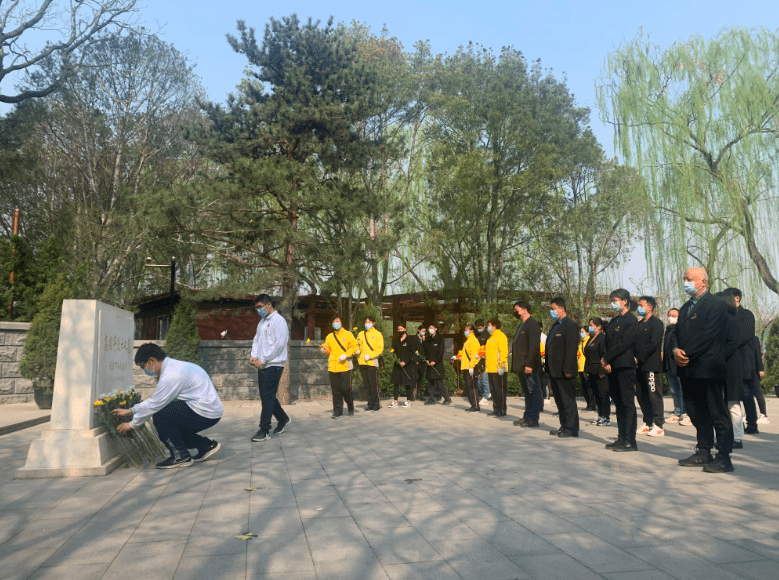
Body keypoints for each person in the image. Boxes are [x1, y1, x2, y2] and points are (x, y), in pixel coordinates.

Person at [114, 343, 223, 469]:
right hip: (209, 409)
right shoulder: (174, 366)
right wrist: (131, 411)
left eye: (144, 367)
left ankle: (180, 457)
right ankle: (206, 445)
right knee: (173, 430)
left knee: (161, 416)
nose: (145, 371)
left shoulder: (171, 375)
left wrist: (132, 424)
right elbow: (156, 400)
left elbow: (154, 405)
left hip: (205, 412)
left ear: (151, 361)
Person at [670, 267, 734, 473]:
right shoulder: (686, 307)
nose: (685, 282)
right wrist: (675, 350)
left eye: (689, 279)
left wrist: (684, 353)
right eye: (684, 278)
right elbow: (675, 334)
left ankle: (724, 457)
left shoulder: (716, 305)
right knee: (696, 412)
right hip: (688, 369)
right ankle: (703, 451)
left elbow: (709, 336)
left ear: (703, 282)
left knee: (717, 413)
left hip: (708, 368)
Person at [601, 289, 639, 452]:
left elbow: (625, 343)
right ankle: (621, 437)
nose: (613, 302)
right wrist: (605, 360)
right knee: (618, 403)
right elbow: (606, 341)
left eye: (615, 300)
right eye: (611, 300)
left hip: (624, 366)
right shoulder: (614, 320)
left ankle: (630, 440)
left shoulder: (631, 320)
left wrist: (608, 358)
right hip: (612, 367)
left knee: (627, 403)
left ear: (625, 301)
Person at [250, 294, 291, 442]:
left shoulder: (279, 321)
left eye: (260, 307)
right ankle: (283, 418)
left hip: (274, 364)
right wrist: (254, 356)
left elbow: (279, 345)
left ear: (268, 305)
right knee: (266, 395)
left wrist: (264, 359)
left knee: (267, 395)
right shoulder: (261, 322)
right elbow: (256, 340)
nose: (258, 310)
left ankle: (264, 429)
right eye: (256, 308)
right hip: (262, 363)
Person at [723, 288, 760, 435]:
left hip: (744, 360)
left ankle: (752, 423)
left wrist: (729, 344)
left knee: (746, 394)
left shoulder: (747, 315)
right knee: (732, 397)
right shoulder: (725, 314)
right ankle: (736, 426)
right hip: (729, 361)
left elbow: (745, 335)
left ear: (736, 298)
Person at [545, 297, 580, 437]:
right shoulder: (555, 325)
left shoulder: (569, 325)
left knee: (567, 401)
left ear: (561, 309)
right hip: (554, 370)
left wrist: (567, 368)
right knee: (560, 401)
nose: (551, 311)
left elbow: (571, 349)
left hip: (564, 371)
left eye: (553, 308)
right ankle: (564, 426)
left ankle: (571, 429)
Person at [715, 292, 745, 450]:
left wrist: (717, 356)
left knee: (733, 404)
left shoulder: (732, 321)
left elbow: (731, 345)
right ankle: (726, 436)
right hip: (720, 366)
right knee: (723, 404)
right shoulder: (718, 322)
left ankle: (738, 437)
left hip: (731, 367)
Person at [634, 296, 665, 437]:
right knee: (641, 395)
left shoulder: (657, 323)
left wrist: (639, 357)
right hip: (638, 366)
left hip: (651, 365)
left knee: (654, 395)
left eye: (642, 305)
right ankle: (648, 422)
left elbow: (653, 344)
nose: (639, 307)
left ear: (650, 307)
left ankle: (659, 425)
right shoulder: (639, 325)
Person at [511, 301, 542, 428]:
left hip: (528, 365)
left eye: (516, 309)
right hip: (520, 365)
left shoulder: (532, 324)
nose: (515, 312)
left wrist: (529, 364)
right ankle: (527, 416)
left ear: (524, 310)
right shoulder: (522, 324)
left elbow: (534, 346)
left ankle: (533, 418)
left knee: (533, 391)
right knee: (527, 392)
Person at [322, 315, 358, 418]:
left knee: (346, 388)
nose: (335, 323)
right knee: (336, 390)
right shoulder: (329, 336)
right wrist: (323, 349)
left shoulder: (348, 334)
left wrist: (346, 354)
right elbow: (327, 348)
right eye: (334, 321)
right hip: (333, 366)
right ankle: (338, 410)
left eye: (337, 321)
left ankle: (350, 405)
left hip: (345, 366)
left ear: (341, 323)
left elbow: (354, 347)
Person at [584, 317, 610, 426]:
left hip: (599, 370)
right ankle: (600, 415)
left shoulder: (602, 337)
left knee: (603, 394)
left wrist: (602, 370)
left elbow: (604, 355)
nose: (590, 327)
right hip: (591, 370)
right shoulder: (591, 338)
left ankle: (606, 417)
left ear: (599, 326)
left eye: (592, 325)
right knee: (596, 394)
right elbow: (587, 355)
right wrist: (586, 370)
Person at [663, 308, 686, 424]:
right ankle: (677, 410)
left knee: (682, 389)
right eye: (669, 315)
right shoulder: (667, 330)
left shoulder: (681, 329)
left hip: (678, 364)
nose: (671, 317)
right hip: (669, 364)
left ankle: (685, 412)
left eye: (674, 315)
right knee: (673, 389)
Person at [357, 315, 384, 412]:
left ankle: (376, 404)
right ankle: (370, 404)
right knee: (366, 385)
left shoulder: (377, 334)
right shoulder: (360, 334)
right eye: (366, 322)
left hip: (372, 362)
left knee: (373, 385)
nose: (367, 324)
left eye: (369, 322)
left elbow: (379, 349)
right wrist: (357, 350)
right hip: (362, 362)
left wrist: (370, 355)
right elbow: (357, 344)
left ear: (373, 323)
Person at [485, 318, 509, 417]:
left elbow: (504, 352)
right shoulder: (490, 338)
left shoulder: (501, 336)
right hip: (490, 368)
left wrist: (501, 366)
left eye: (489, 325)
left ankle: (502, 410)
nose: (488, 327)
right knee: (494, 391)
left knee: (500, 391)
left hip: (499, 369)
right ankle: (496, 408)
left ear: (494, 326)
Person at [454, 324, 481, 411]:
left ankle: (475, 405)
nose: (465, 331)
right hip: (466, 367)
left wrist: (472, 366)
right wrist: (457, 356)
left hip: (470, 367)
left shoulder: (473, 340)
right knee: (469, 387)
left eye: (467, 329)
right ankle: (473, 404)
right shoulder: (468, 341)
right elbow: (463, 352)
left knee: (472, 387)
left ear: (471, 331)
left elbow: (475, 355)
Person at [424, 321, 451, 405]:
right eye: (429, 328)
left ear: (436, 329)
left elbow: (441, 353)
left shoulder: (440, 339)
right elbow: (426, 352)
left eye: (432, 328)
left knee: (439, 383)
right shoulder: (428, 340)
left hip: (437, 365)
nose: (430, 330)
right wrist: (427, 360)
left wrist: (434, 362)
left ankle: (447, 399)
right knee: (430, 382)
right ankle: (431, 399)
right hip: (429, 365)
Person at [389, 322, 414, 407]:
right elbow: (394, 351)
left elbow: (412, 353)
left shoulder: (410, 340)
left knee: (407, 383)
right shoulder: (396, 340)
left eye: (401, 329)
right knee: (396, 382)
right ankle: (395, 401)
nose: (400, 330)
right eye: (398, 329)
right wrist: (396, 359)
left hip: (407, 365)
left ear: (405, 329)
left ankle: (408, 401)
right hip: (398, 365)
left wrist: (405, 362)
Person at [474, 319, 491, 406]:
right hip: (477, 360)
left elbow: (486, 348)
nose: (479, 329)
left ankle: (486, 396)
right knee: (477, 379)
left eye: (480, 328)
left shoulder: (487, 335)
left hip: (485, 360)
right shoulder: (477, 334)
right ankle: (486, 393)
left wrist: (481, 355)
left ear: (484, 326)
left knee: (485, 379)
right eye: (477, 328)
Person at [578, 325, 594, 412]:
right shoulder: (581, 342)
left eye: (582, 332)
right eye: (580, 332)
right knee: (584, 388)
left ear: (588, 333)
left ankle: (591, 405)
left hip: (586, 368)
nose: (581, 334)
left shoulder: (588, 341)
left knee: (589, 388)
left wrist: (586, 368)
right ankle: (588, 404)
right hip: (580, 367)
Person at [408, 325, 427, 401]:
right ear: (418, 330)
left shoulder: (424, 339)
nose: (424, 332)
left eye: (425, 331)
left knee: (420, 378)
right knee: (414, 378)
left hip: (423, 362)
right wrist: (415, 360)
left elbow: (426, 349)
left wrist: (424, 341)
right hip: (416, 362)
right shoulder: (414, 339)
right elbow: (412, 351)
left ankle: (419, 394)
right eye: (422, 331)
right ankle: (411, 395)